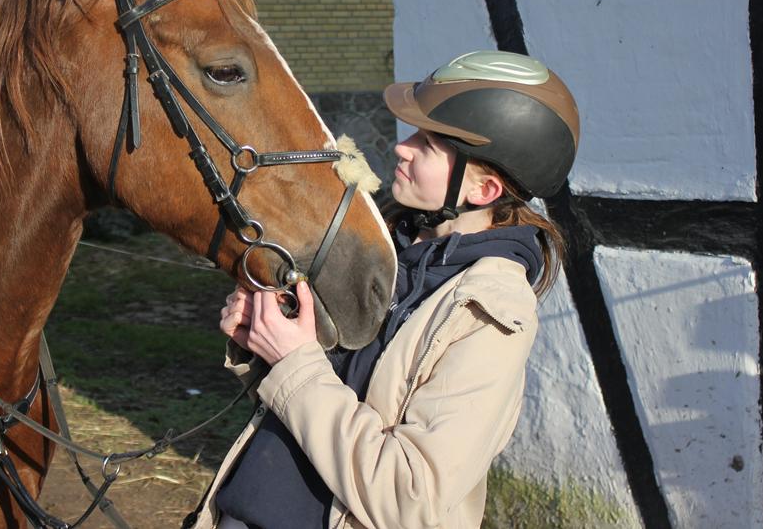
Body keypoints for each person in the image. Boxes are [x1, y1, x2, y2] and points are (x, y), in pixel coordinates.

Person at [182, 50, 580, 529]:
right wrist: (264, 346)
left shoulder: (489, 313)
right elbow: (316, 411)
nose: (402, 147)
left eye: (428, 144)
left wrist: (295, 363)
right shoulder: (388, 257)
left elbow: (409, 498)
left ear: (484, 191)